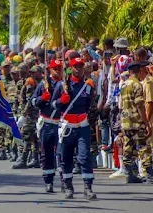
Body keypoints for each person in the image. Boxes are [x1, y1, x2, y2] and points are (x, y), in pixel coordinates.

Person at [52, 57, 96, 200]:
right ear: (70, 68)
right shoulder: (62, 85)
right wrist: (61, 101)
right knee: (66, 158)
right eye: (75, 66)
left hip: (82, 125)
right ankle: (68, 186)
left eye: (80, 66)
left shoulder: (88, 86)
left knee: (84, 157)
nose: (78, 69)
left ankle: (88, 188)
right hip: (67, 126)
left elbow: (90, 105)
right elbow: (52, 105)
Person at [31, 60, 62, 192]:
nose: (57, 71)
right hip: (47, 123)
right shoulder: (43, 84)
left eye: (59, 68)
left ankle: (65, 181)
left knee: (62, 154)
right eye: (55, 68)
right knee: (47, 153)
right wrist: (42, 98)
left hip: (61, 123)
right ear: (50, 70)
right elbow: (33, 102)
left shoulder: (65, 84)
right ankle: (48, 181)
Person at [120, 62, 153, 183]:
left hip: (126, 121)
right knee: (144, 147)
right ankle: (149, 172)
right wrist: (146, 123)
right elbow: (140, 106)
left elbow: (121, 104)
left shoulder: (124, 84)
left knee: (129, 147)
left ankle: (129, 172)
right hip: (136, 121)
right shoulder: (137, 85)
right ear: (138, 71)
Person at [12, 65, 43, 169]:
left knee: (26, 135)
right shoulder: (40, 82)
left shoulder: (31, 82)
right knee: (34, 137)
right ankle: (35, 159)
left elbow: (30, 100)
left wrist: (24, 114)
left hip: (31, 114)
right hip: (36, 113)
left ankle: (23, 159)